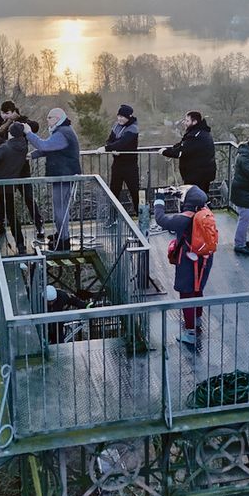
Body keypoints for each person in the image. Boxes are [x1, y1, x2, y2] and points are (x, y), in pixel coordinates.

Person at [153, 186, 214, 345]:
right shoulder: (205, 211)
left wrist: (159, 198)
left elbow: (161, 219)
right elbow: (194, 197)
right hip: (204, 258)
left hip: (188, 261)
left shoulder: (184, 220)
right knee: (198, 288)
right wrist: (177, 191)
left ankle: (190, 332)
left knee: (186, 294)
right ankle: (197, 319)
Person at [0, 100, 44, 239]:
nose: (4, 117)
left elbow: (35, 126)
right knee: (1, 200)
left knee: (28, 197)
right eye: (2, 113)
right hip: (5, 170)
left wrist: (20, 120)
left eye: (7, 113)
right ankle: (0, 224)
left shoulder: (21, 121)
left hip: (21, 169)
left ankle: (39, 225)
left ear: (13, 112)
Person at [27, 108, 82, 252]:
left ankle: (63, 240)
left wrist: (28, 133)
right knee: (60, 208)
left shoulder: (63, 133)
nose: (47, 120)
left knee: (60, 209)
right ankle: (61, 235)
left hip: (64, 176)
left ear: (58, 118)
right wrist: (33, 155)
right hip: (62, 175)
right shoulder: (63, 131)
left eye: (50, 117)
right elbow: (51, 148)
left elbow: (44, 145)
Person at [0, 122, 33, 254]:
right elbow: (7, 149)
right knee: (12, 215)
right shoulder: (23, 147)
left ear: (10, 133)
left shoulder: (5, 149)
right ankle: (20, 244)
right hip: (9, 186)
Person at [160, 111, 216, 193]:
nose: (184, 123)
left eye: (187, 121)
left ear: (194, 122)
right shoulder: (198, 132)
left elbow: (182, 151)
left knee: (194, 198)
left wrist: (165, 152)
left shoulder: (196, 136)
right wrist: (169, 149)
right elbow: (182, 145)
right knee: (201, 196)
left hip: (197, 175)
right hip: (201, 173)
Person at [99, 104, 140, 215]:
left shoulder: (133, 129)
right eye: (119, 116)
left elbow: (122, 143)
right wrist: (112, 148)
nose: (120, 119)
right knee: (114, 190)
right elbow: (110, 140)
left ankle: (139, 214)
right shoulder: (116, 126)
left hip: (130, 166)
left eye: (123, 117)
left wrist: (107, 148)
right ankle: (112, 216)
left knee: (134, 190)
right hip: (117, 164)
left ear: (129, 117)